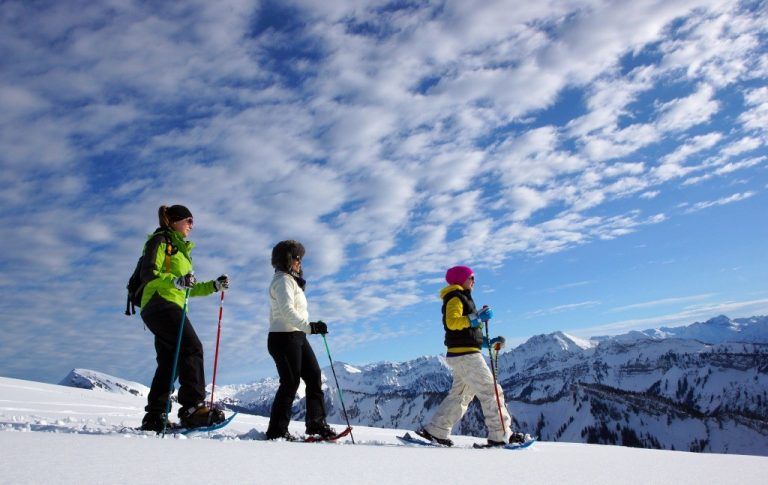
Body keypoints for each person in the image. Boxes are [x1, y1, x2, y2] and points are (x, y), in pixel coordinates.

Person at [138, 205, 230, 431]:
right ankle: (192, 409)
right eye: (189, 220)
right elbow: (148, 273)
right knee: (192, 348)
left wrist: (214, 286)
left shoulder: (181, 252)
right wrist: (175, 282)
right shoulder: (160, 241)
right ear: (174, 221)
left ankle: (155, 416)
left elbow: (189, 288)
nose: (192, 225)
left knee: (170, 361)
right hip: (160, 302)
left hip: (169, 303)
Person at [416, 265, 527, 447]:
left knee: (460, 395)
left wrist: (486, 343)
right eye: (471, 277)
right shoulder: (455, 298)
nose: (474, 281)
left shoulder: (463, 299)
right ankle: (501, 436)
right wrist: (475, 318)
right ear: (461, 279)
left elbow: (465, 333)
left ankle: (437, 430)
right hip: (466, 356)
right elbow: (452, 323)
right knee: (491, 391)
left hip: (462, 353)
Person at [265, 240, 337, 441]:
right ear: (286, 259)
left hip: (296, 336)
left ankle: (316, 423)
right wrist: (310, 327)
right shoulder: (283, 281)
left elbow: (296, 313)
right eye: (297, 257)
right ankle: (276, 431)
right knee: (290, 382)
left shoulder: (291, 281)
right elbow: (288, 311)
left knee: (313, 376)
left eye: (300, 258)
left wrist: (308, 328)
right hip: (283, 337)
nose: (300, 262)